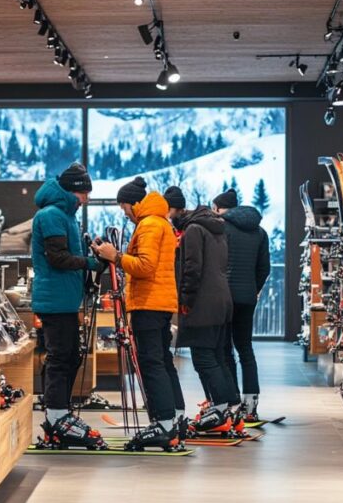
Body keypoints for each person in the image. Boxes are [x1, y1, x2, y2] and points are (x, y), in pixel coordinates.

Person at [94, 176, 185, 449]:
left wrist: (115, 256)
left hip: (149, 303)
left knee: (150, 363)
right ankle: (170, 420)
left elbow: (145, 266)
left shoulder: (149, 225)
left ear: (134, 204)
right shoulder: (160, 222)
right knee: (161, 361)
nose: (125, 214)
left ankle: (163, 424)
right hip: (159, 302)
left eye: (124, 208)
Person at [31, 162, 106, 449]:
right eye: (84, 193)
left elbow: (68, 253)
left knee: (70, 356)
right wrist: (89, 263)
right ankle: (56, 418)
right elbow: (58, 258)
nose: (86, 199)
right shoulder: (51, 215)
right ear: (73, 191)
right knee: (61, 357)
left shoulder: (66, 216)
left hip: (65, 299)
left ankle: (60, 413)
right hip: (55, 300)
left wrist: (90, 251)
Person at [171, 204, 238, 435]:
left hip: (202, 303)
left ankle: (219, 410)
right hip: (222, 300)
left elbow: (192, 268)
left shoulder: (194, 230)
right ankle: (229, 409)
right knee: (218, 356)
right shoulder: (216, 229)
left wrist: (185, 300)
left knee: (204, 359)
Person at [213, 189, 270, 422]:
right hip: (247, 298)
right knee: (245, 348)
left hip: (223, 297)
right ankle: (251, 405)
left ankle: (231, 401)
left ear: (219, 209)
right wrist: (253, 289)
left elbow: (216, 264)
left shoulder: (221, 229)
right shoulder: (260, 231)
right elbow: (264, 268)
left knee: (224, 349)